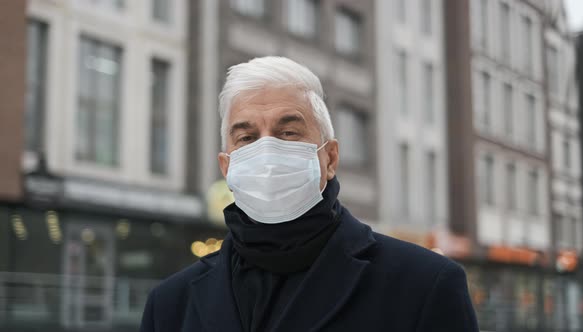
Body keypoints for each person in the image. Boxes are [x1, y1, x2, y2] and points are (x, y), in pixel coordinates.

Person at [139, 56, 479, 332]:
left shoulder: (423, 285)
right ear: (227, 167)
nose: (267, 151)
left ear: (329, 158)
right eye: (247, 138)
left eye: (288, 132)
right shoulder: (170, 305)